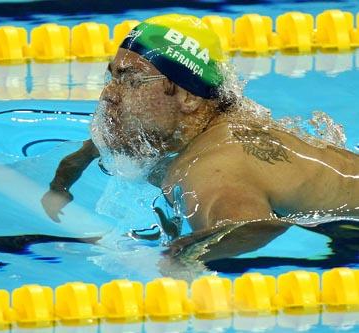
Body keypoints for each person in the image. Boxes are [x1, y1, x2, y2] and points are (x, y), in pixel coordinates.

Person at [41, 14, 359, 263]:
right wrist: (64, 178)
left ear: (188, 98)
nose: (109, 95)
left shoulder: (211, 168)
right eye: (112, 77)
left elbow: (254, 225)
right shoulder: (188, 126)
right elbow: (103, 140)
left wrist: (180, 255)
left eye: (131, 81)